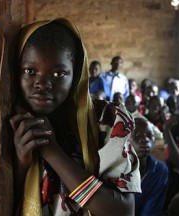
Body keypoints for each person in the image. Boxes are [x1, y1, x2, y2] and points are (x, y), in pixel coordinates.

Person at [10, 18, 140, 215]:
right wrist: (21, 164)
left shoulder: (108, 120)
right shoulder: (9, 124)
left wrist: (51, 151)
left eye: (58, 74)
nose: (42, 84)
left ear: (76, 74)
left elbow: (123, 211)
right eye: (30, 71)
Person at [130, 118, 168, 216]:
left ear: (154, 141)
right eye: (137, 135)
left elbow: (151, 210)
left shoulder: (159, 170)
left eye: (149, 136)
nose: (145, 139)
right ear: (125, 139)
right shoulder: (114, 169)